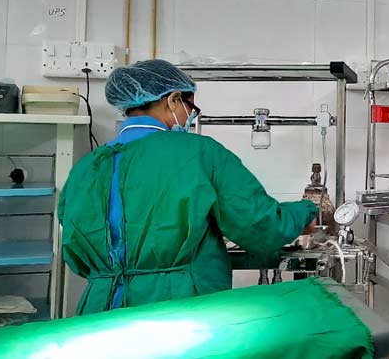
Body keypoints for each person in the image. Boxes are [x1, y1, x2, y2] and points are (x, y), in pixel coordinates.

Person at [58, 59, 318, 315]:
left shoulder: (87, 167)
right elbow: (259, 224)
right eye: (189, 106)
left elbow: (75, 248)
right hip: (177, 308)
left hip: (99, 310)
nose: (190, 117)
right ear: (172, 100)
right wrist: (305, 213)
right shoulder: (199, 153)